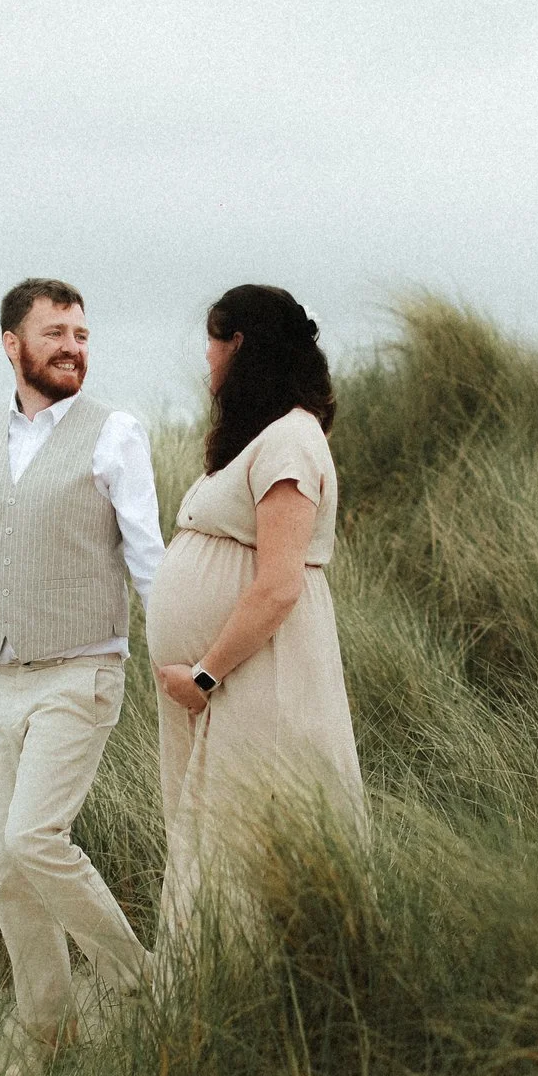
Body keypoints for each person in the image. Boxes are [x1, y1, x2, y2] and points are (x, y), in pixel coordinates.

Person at [0, 278, 165, 1049]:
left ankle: (139, 983)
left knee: (35, 838)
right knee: (8, 871)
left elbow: (149, 558)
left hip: (81, 673)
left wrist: (186, 658)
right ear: (12, 344)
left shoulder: (115, 433)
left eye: (81, 334)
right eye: (55, 333)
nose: (72, 347)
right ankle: (51, 1034)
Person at [147, 283, 365, 951]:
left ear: (240, 346)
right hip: (224, 679)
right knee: (208, 833)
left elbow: (277, 585)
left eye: (213, 341)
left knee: (244, 829)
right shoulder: (262, 439)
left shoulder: (292, 442)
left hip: (254, 673)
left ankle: (248, 989)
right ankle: (206, 991)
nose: (206, 359)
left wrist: (206, 675)